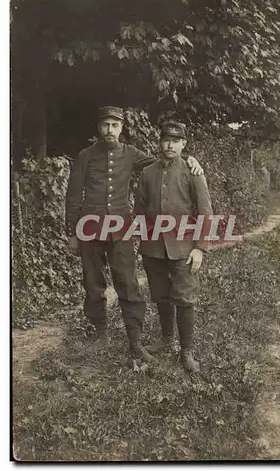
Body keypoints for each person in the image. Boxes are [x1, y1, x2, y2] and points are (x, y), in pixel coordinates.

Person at [65, 106, 203, 364]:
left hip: (121, 230)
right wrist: (73, 232)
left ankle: (135, 341)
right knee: (93, 283)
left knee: (128, 284)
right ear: (99, 127)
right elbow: (73, 196)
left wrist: (190, 160)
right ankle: (101, 333)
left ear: (121, 128)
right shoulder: (85, 156)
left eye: (115, 125)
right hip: (90, 229)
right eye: (105, 125)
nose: (110, 130)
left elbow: (163, 163)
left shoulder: (130, 154)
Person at [134, 121, 213, 372]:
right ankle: (167, 339)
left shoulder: (193, 172)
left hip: (183, 248)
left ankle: (187, 352)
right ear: (160, 143)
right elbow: (139, 210)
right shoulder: (148, 173)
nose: (169, 144)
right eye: (165, 140)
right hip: (153, 247)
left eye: (175, 141)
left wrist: (200, 247)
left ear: (183, 145)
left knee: (185, 298)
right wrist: (140, 239)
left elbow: (205, 211)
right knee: (160, 295)